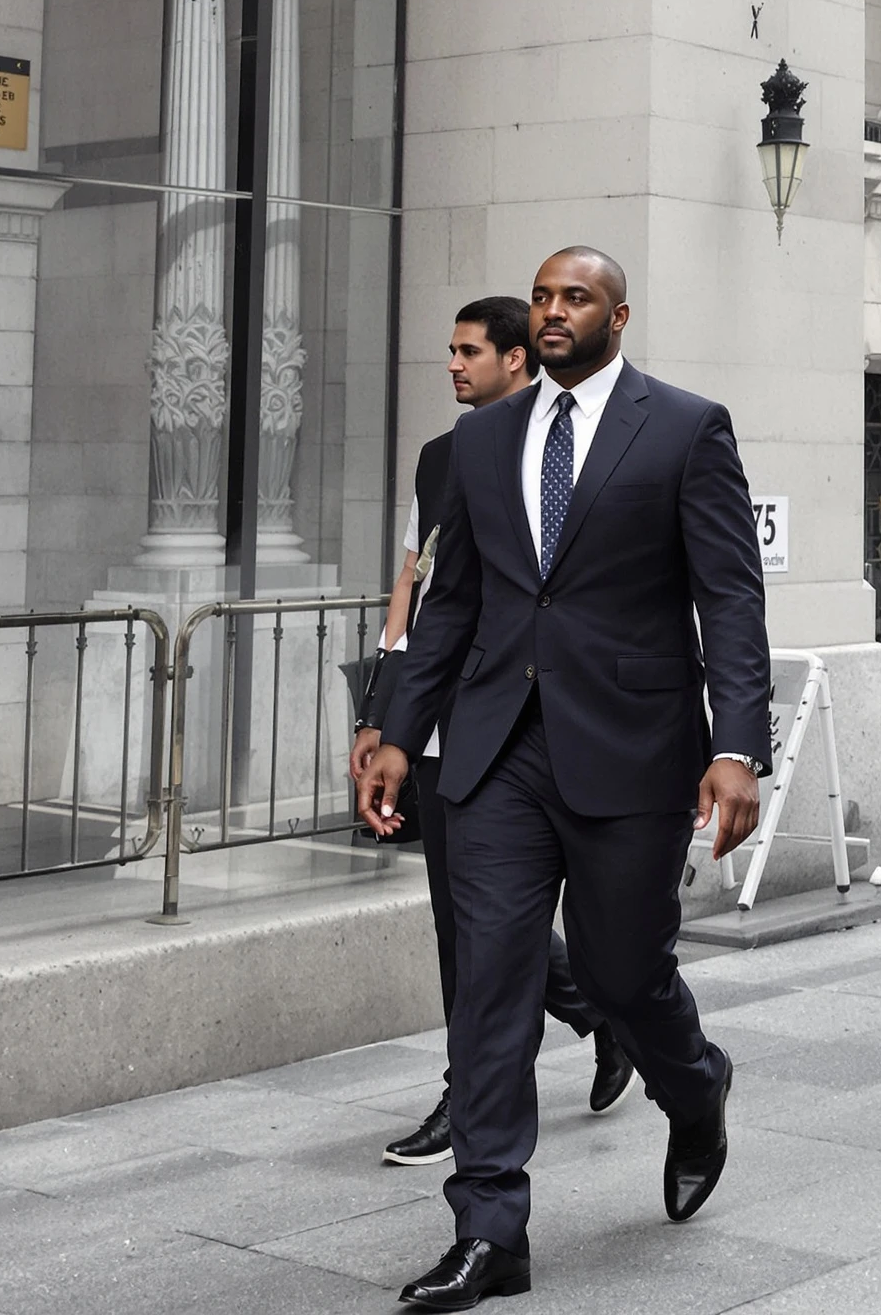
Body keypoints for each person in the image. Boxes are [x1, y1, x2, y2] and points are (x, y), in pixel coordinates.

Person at [358, 248, 773, 1312]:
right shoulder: (481, 439)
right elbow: (453, 600)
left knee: (623, 971)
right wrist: (402, 727)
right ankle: (490, 1227)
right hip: (498, 748)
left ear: (617, 315)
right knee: (490, 981)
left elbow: (727, 596)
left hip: (632, 746)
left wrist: (737, 745)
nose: (551, 310)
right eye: (540, 295)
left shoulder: (684, 427)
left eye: (573, 296)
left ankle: (694, 1082)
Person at [349, 296, 633, 1168]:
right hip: (440, 719)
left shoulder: (580, 447)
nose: (454, 365)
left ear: (519, 360)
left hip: (529, 723)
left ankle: (494, 1078)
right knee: (464, 923)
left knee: (484, 925)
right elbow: (417, 588)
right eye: (450, 349)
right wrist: (382, 713)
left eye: (471, 350)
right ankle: (585, 1019)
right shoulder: (447, 456)